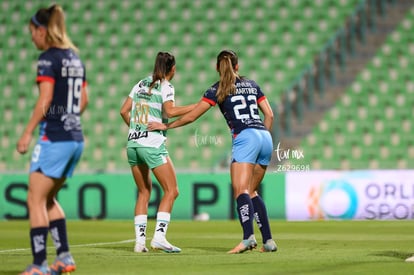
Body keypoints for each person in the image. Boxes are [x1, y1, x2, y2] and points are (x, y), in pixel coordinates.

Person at [148, 49, 278, 254]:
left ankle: (247, 238)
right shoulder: (252, 85)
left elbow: (192, 117)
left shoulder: (217, 89)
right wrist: (262, 134)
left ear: (217, 67)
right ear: (237, 66)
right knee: (252, 191)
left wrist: (166, 126)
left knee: (241, 191)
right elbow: (269, 114)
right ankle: (268, 241)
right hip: (264, 137)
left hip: (246, 138)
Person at [16, 4, 89, 275]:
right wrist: (68, 115)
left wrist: (27, 132)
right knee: (49, 199)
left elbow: (45, 99)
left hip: (55, 138)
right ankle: (65, 258)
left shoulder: (48, 59)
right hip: (75, 138)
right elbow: (84, 100)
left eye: (33, 31)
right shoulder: (75, 58)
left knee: (34, 200)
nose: (32, 37)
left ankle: (39, 265)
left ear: (42, 30)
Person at [120, 51, 196, 253]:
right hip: (152, 144)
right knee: (172, 191)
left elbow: (123, 111)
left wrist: (136, 128)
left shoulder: (140, 83)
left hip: (133, 145)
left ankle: (139, 243)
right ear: (173, 69)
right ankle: (159, 238)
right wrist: (196, 106)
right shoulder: (166, 86)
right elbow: (170, 112)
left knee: (144, 192)